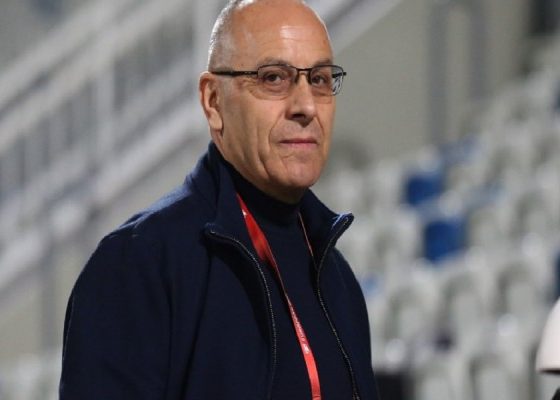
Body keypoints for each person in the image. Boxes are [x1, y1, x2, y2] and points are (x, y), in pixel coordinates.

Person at [59, 0, 378, 399]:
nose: (306, 106)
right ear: (213, 101)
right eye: (274, 78)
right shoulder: (138, 264)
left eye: (319, 79)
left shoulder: (337, 277)